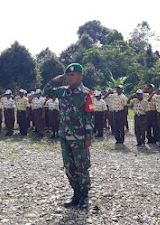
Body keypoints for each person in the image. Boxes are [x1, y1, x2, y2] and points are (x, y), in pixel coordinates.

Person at [43, 63, 94, 210]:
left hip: (79, 137)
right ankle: (76, 193)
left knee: (82, 166)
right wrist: (56, 79)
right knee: (69, 166)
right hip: (64, 135)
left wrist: (88, 137)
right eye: (68, 75)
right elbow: (46, 91)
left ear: (80, 76)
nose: (69, 78)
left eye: (72, 75)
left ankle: (84, 196)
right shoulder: (62, 91)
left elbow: (90, 115)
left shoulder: (86, 93)